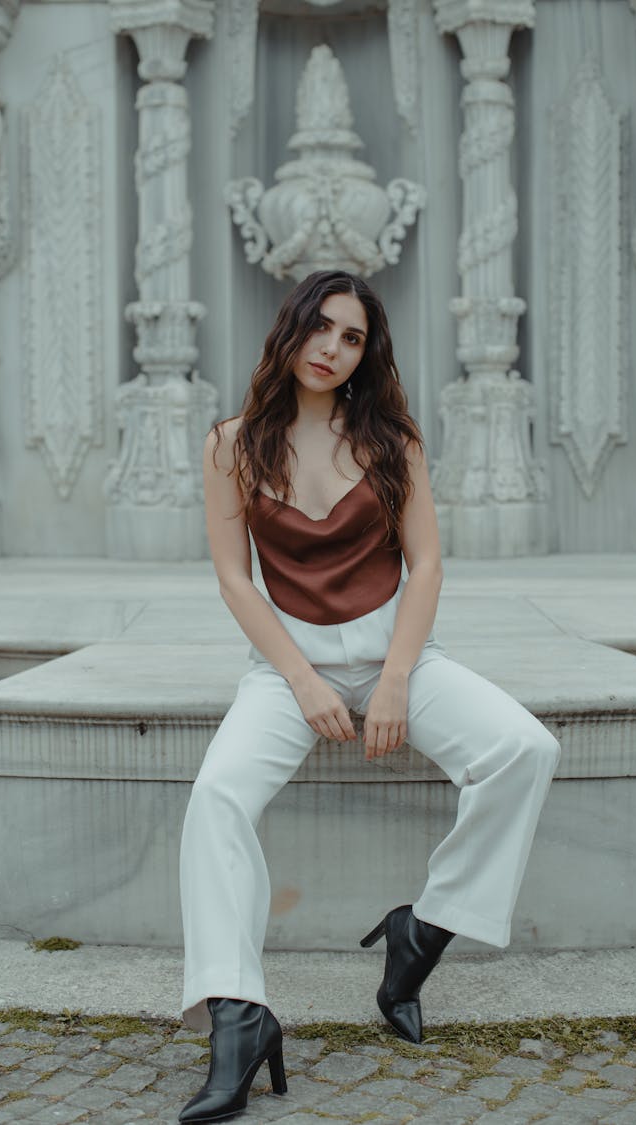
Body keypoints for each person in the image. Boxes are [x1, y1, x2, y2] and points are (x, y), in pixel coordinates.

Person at [178, 270, 560, 1123]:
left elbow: (425, 563)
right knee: (215, 799)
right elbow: (236, 583)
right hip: (288, 670)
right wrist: (304, 679)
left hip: (400, 657)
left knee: (525, 750)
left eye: (351, 338)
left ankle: (420, 931)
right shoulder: (231, 443)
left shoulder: (393, 440)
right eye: (321, 328)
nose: (332, 348)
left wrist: (393, 678)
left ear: (365, 353)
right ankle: (239, 1018)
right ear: (292, 329)